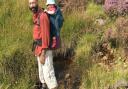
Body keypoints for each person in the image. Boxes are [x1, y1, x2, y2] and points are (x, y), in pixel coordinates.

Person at [28, 0, 58, 89]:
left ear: (37, 2)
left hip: (44, 50)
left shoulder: (43, 16)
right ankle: (44, 86)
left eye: (33, 3)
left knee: (49, 75)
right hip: (38, 48)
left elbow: (46, 36)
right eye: (30, 3)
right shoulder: (36, 14)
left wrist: (43, 54)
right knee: (42, 74)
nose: (32, 5)